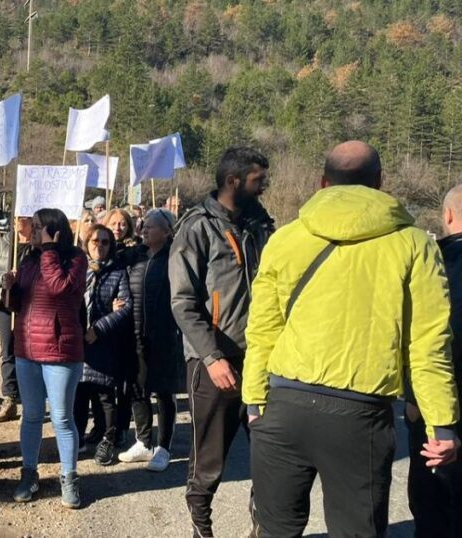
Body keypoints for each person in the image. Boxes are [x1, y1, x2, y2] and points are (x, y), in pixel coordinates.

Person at [244, 141, 460, 537]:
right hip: (359, 416)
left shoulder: (286, 239)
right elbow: (429, 345)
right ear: (380, 182)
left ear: (322, 182)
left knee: (274, 531)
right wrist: (440, 425)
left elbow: (262, 329)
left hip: (284, 405)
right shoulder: (415, 245)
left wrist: (254, 399)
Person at [169, 146, 274, 538]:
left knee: (270, 455)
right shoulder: (197, 227)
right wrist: (212, 356)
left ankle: (262, 527)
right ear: (233, 181)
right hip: (213, 361)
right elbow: (182, 302)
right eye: (257, 180)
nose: (263, 187)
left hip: (261, 359)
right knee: (208, 461)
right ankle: (202, 528)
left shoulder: (263, 225)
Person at [2, 208, 88, 508]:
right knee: (32, 416)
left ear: (55, 231)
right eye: (33, 227)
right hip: (27, 351)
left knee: (63, 418)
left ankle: (69, 477)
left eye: (38, 227)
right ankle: (29, 473)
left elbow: (59, 288)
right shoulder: (28, 259)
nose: (32, 231)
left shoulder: (75, 258)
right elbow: (17, 306)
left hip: (60, 351)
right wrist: (9, 288)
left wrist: (50, 250)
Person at [407, 184, 462, 537]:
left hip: (435, 404)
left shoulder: (432, 262)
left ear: (448, 216)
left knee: (434, 504)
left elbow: (418, 337)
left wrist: (412, 397)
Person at [117, 208, 183, 472]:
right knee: (138, 388)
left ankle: (163, 447)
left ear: (167, 231)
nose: (144, 230)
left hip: (165, 335)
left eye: (151, 227)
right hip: (135, 333)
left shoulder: (176, 258)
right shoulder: (135, 256)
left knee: (164, 392)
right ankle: (143, 441)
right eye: (143, 226)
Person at [74, 223, 133, 465]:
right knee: (79, 394)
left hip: (103, 342)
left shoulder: (118, 272)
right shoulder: (77, 270)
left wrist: (99, 328)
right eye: (95, 241)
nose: (100, 246)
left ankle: (108, 440)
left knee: (105, 395)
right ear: (87, 243)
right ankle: (77, 439)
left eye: (105, 242)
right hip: (78, 341)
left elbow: (126, 306)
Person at [0, 216, 33, 422]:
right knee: (7, 351)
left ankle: (32, 400)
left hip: (30, 305)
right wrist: (5, 277)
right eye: (14, 217)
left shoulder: (39, 245)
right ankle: (9, 398)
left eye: (21, 218)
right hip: (5, 304)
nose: (16, 221)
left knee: (29, 352)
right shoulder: (3, 242)